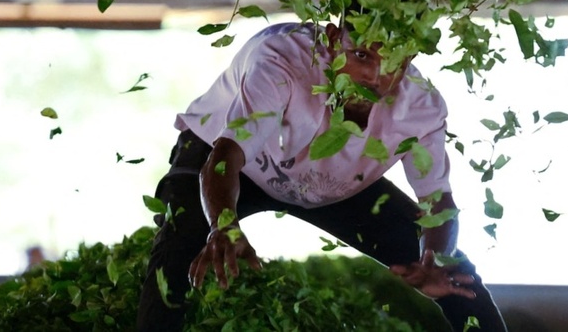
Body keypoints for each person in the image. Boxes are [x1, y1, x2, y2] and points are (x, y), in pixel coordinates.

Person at [136, 19, 506, 331]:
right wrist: (223, 226)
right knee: (176, 258)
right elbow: (225, 158)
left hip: (333, 181)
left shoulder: (421, 108)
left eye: (393, 62)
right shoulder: (282, 61)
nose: (374, 76)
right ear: (332, 40)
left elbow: (438, 201)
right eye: (361, 55)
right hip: (227, 160)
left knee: (458, 278)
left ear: (409, 59)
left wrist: (435, 259)